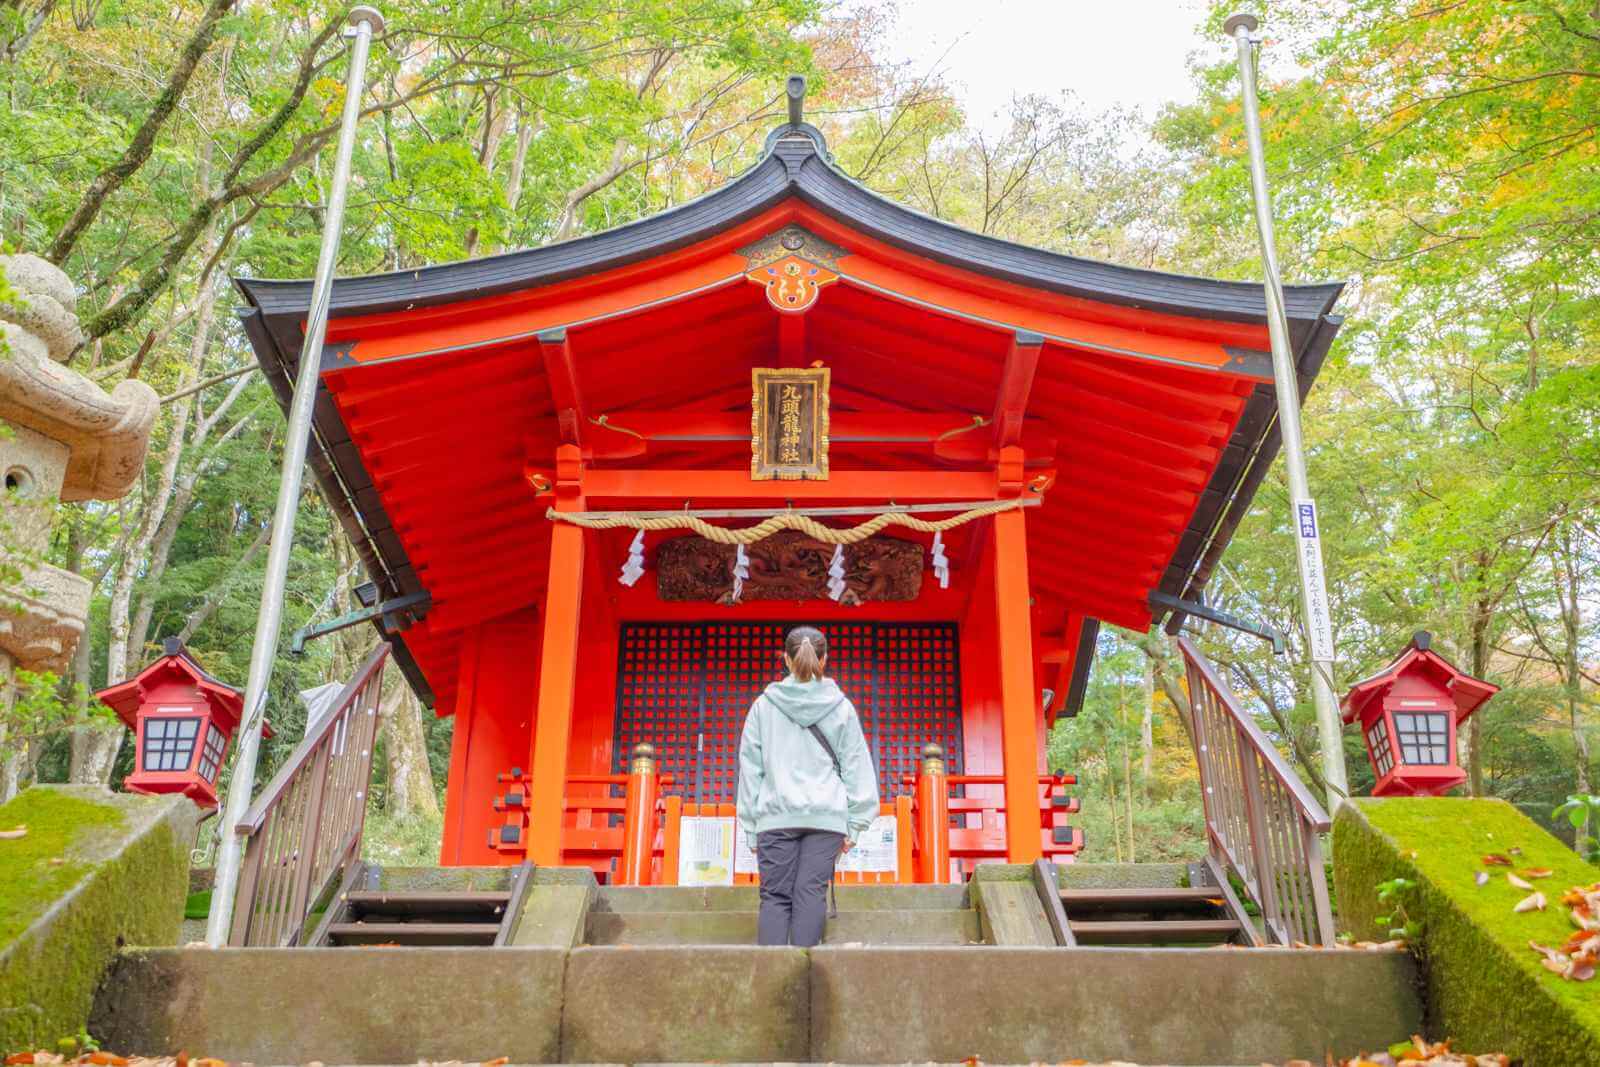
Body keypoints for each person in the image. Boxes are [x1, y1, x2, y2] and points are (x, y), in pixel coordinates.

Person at [736, 625, 879, 947]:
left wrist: (749, 826)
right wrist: (855, 825)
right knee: (810, 894)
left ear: (786, 659)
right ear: (824, 659)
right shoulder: (841, 708)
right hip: (826, 817)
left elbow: (751, 771)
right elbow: (856, 768)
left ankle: (772, 983)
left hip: (775, 816)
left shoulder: (763, 707)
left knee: (775, 897)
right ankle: (805, 979)